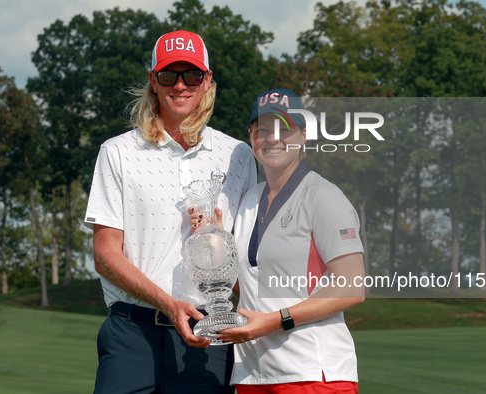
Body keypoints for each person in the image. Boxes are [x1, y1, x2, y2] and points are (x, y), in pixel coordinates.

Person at [84, 30, 257, 393]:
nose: (181, 85)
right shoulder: (117, 152)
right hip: (131, 332)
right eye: (169, 75)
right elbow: (104, 254)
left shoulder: (238, 154)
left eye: (192, 75)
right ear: (153, 81)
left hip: (208, 334)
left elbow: (243, 262)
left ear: (207, 80)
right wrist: (168, 303)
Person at [192, 89, 366, 393]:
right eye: (262, 130)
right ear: (250, 137)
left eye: (283, 129)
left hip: (313, 373)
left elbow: (352, 288)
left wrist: (274, 322)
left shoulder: (323, 197)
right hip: (252, 375)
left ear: (303, 135)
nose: (272, 139)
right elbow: (248, 286)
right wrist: (213, 241)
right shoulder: (247, 200)